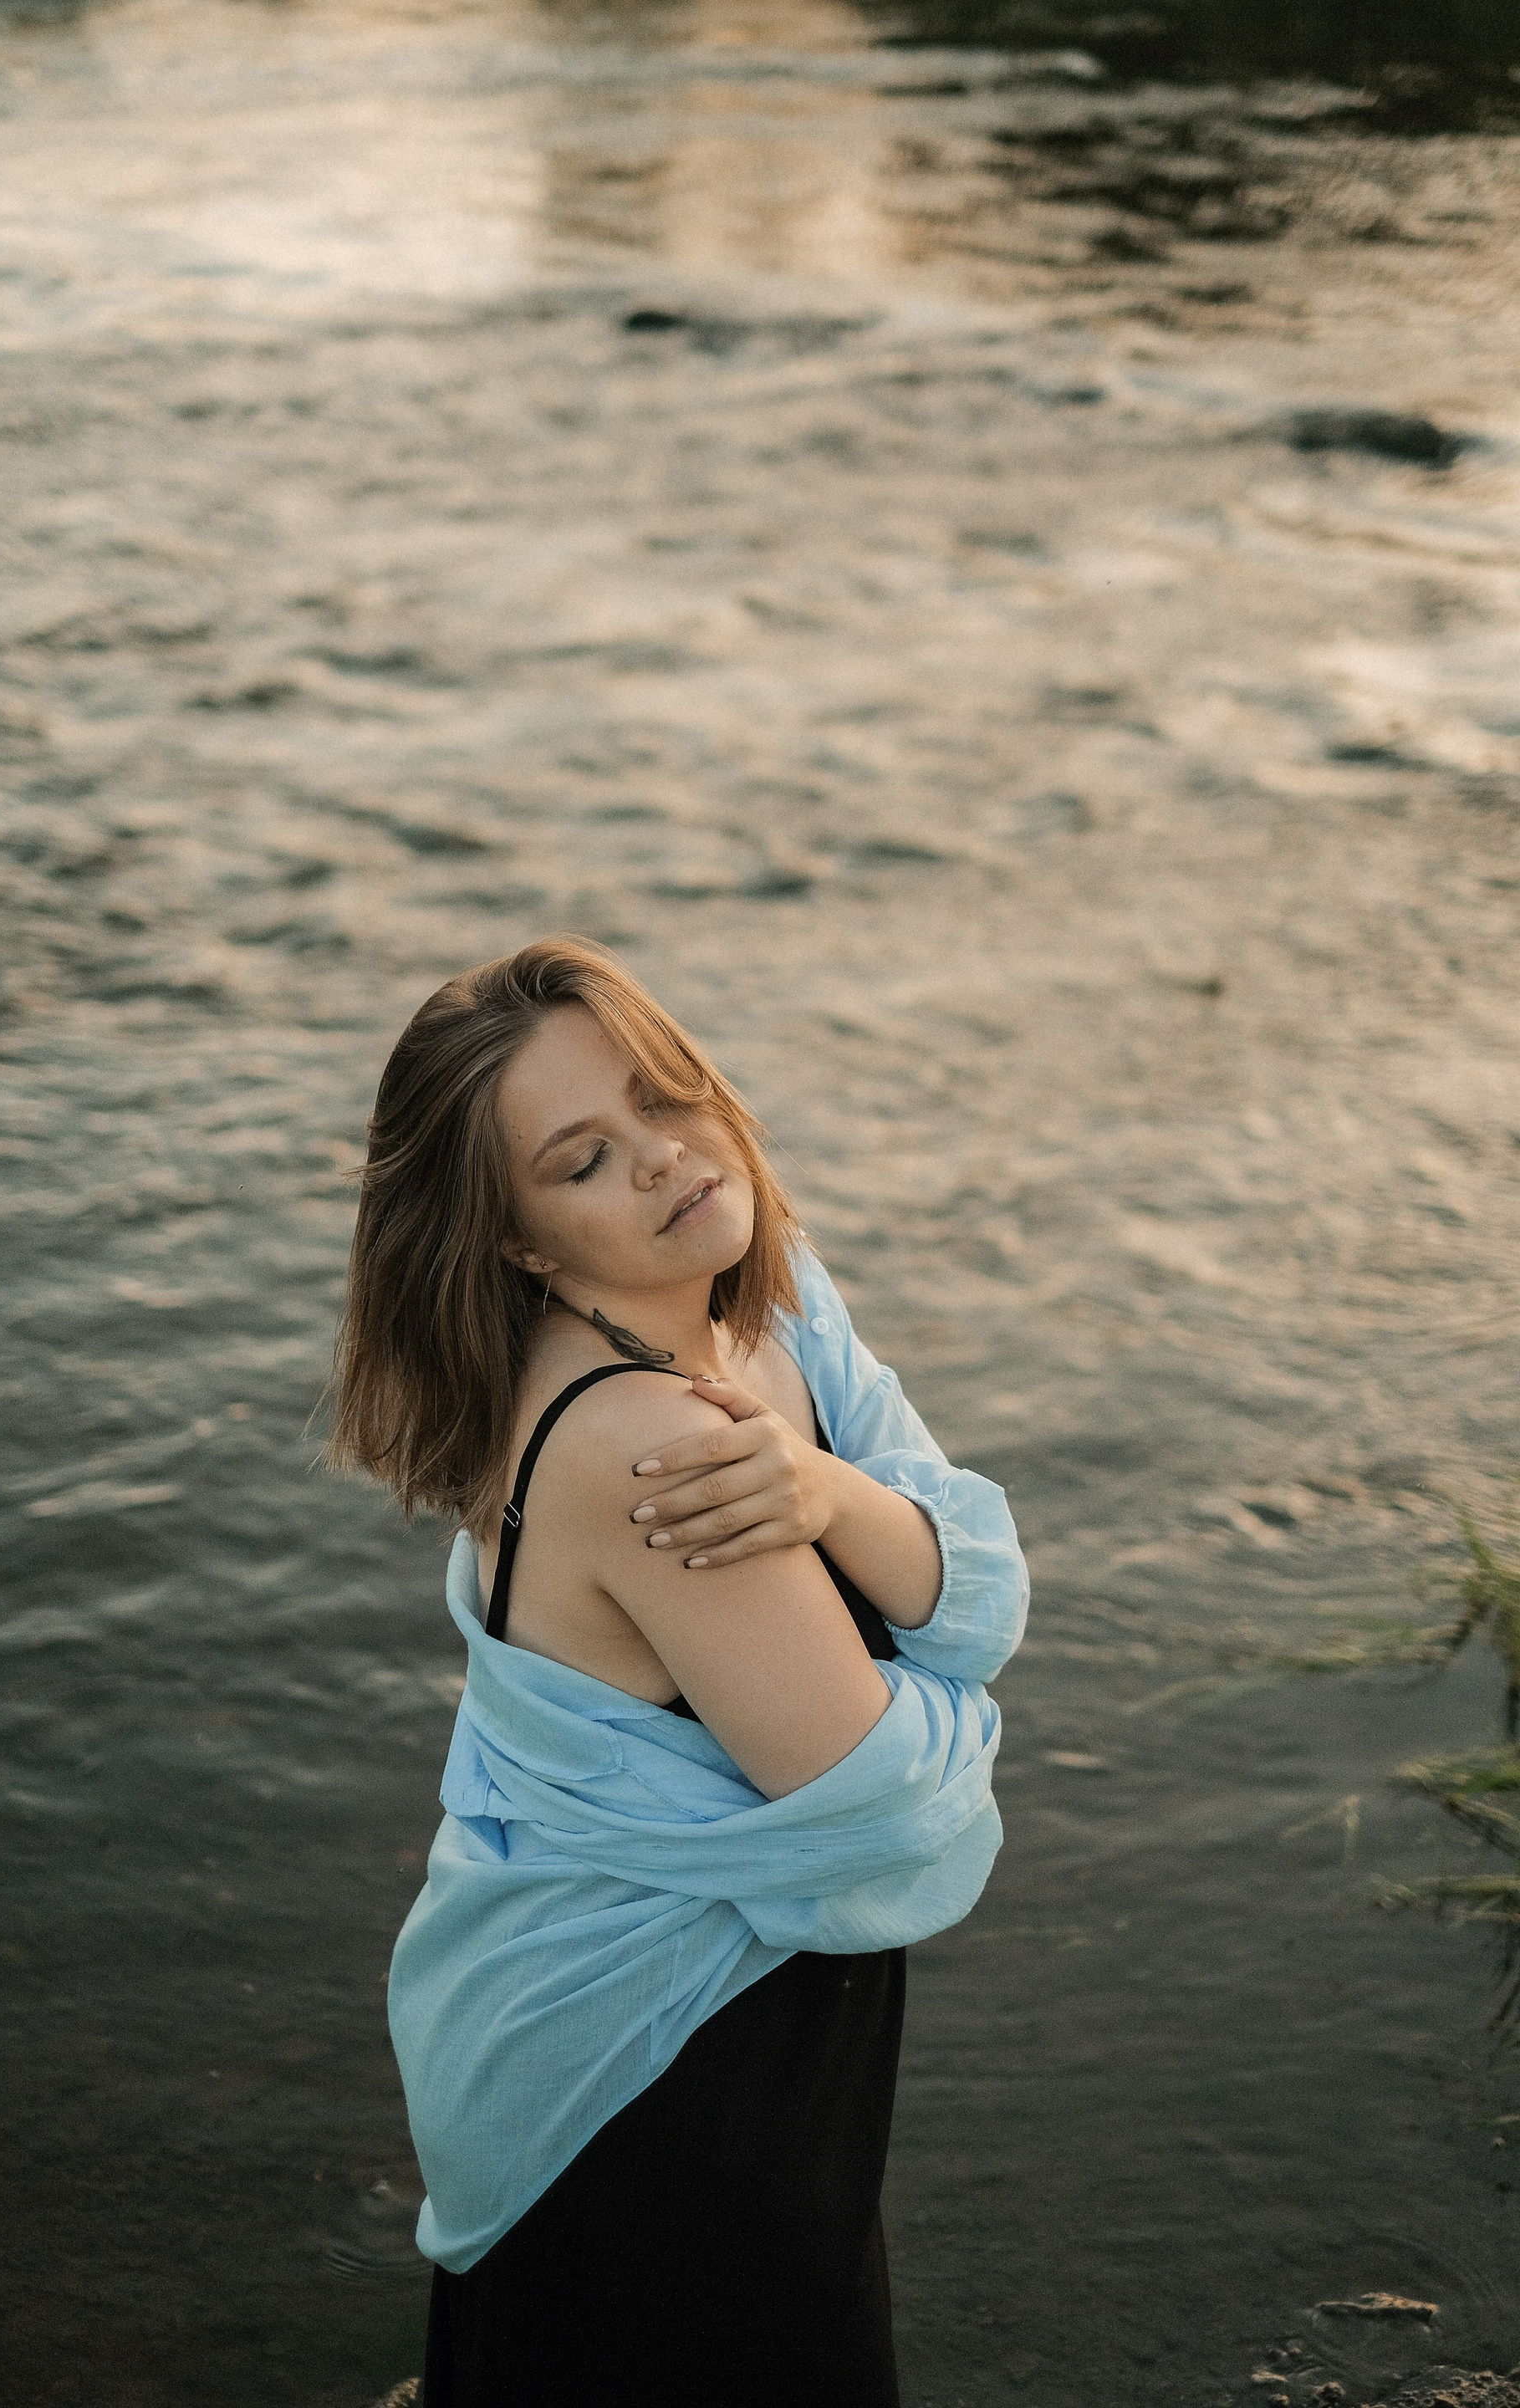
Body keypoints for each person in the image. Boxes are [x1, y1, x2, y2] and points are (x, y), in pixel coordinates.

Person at [327, 937, 1028, 2408]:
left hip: (758, 2020)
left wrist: (830, 1498)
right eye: (583, 1159)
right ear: (522, 1244)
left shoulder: (768, 1300)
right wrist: (938, 1646)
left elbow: (985, 1595)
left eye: (664, 1097)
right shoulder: (648, 1440)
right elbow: (893, 1813)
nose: (663, 1158)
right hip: (640, 2068)